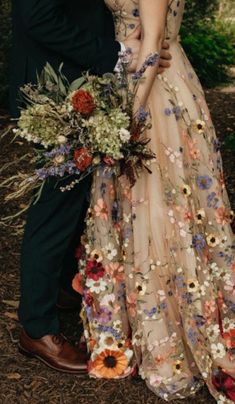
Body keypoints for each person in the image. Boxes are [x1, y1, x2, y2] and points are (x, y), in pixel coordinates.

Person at [78, 0, 235, 401]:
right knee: (136, 205)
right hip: (135, 77)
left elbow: (152, 40)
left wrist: (131, 114)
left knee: (160, 208)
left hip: (153, 90)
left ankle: (166, 339)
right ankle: (140, 323)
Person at [9, 0, 171, 374]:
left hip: (80, 77)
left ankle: (64, 289)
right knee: (56, 203)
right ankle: (36, 326)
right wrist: (116, 53)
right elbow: (36, 16)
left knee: (77, 195)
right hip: (55, 82)